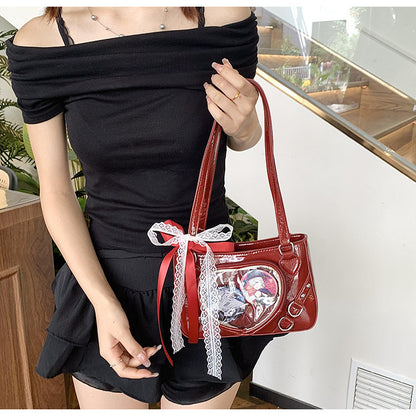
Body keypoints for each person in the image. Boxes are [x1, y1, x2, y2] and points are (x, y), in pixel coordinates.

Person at [6, 6, 278, 409]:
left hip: (207, 282)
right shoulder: (43, 43)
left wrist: (246, 127)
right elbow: (56, 192)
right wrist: (103, 304)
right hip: (105, 283)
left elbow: (240, 135)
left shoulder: (223, 16)